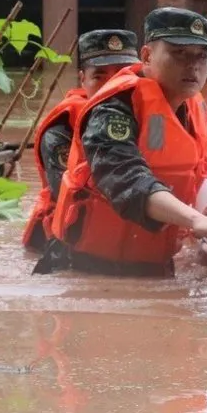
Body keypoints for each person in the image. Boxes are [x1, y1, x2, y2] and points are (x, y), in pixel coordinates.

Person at [35, 7, 207, 277]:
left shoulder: (187, 107)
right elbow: (125, 178)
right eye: (179, 53)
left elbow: (170, 165)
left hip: (150, 264)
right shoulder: (115, 108)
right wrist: (197, 219)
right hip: (85, 269)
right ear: (146, 56)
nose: (192, 65)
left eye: (201, 56)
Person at [22, 29, 141, 252]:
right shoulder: (61, 129)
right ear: (82, 79)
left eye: (122, 75)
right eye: (99, 76)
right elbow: (69, 197)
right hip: (72, 240)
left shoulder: (151, 114)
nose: (112, 86)